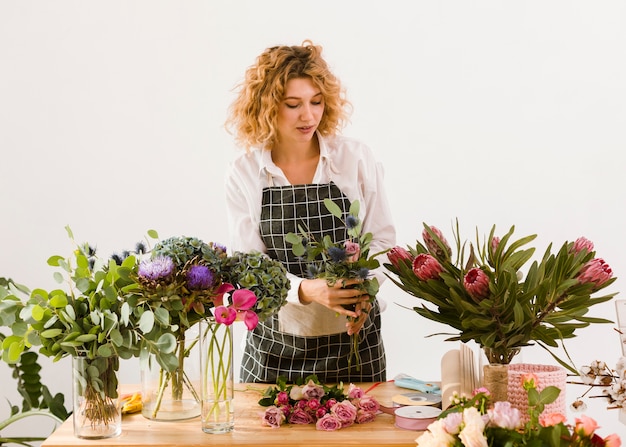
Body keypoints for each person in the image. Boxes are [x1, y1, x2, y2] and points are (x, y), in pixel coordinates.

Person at [224, 40, 396, 384]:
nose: (309, 116)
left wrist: (366, 291)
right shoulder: (244, 173)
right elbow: (248, 267)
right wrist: (307, 290)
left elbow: (383, 241)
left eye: (316, 102)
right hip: (275, 353)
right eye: (293, 104)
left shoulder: (354, 158)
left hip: (354, 346)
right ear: (267, 107)